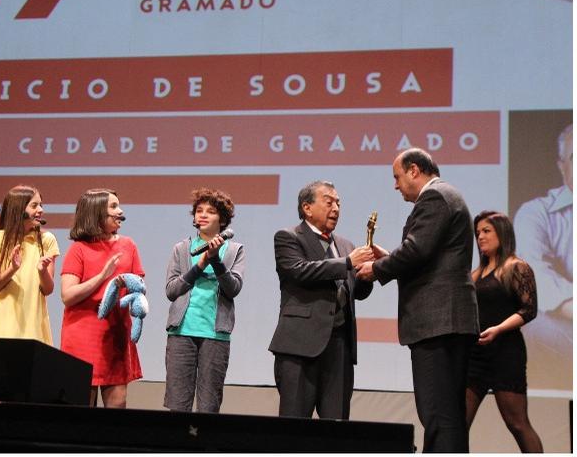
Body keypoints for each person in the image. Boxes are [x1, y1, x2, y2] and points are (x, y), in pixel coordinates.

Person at [355, 148, 479, 453]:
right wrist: (391, 257)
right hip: (447, 321)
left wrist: (377, 268)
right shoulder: (447, 196)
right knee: (446, 414)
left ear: (414, 170)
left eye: (397, 177)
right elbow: (425, 252)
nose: (395, 185)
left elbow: (417, 251)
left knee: (438, 413)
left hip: (439, 322)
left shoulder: (435, 197)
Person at [269, 180, 374, 420]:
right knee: (293, 429)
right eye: (329, 202)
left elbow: (357, 292)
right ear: (307, 207)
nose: (336, 208)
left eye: (338, 203)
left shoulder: (346, 245)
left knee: (336, 431)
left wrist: (368, 273)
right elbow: (300, 271)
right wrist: (348, 263)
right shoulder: (288, 237)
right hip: (299, 348)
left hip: (340, 348)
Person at [466, 210, 543, 452]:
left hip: (505, 354)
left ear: (502, 233)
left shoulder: (516, 267)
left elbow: (529, 310)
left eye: (486, 231)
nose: (480, 237)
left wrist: (498, 329)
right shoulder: (476, 274)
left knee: (517, 424)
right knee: (458, 423)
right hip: (475, 357)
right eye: (477, 232)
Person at [60, 188, 144, 408]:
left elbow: (138, 287)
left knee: (117, 407)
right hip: (82, 337)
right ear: (96, 213)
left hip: (115, 336)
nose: (120, 211)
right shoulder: (78, 249)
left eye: (119, 205)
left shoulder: (128, 245)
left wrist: (138, 300)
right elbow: (68, 296)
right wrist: (103, 276)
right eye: (113, 207)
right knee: (82, 408)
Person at [164, 188, 246, 413]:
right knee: (177, 404)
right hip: (181, 332)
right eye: (199, 211)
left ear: (222, 219)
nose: (202, 215)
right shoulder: (181, 249)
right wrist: (199, 266)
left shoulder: (234, 250)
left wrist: (216, 260)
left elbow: (233, 288)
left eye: (210, 211)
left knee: (209, 406)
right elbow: (171, 290)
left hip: (215, 334)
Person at [514, 124, 572, 390]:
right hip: (568, 325)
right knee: (535, 322)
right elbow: (538, 273)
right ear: (562, 166)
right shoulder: (536, 213)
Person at [0, 185, 59, 345]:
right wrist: (12, 269)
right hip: (2, 326)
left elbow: (48, 289)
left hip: (34, 326)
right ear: (18, 209)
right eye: (34, 205)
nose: (40, 210)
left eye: (41, 205)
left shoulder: (47, 240)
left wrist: (42, 271)